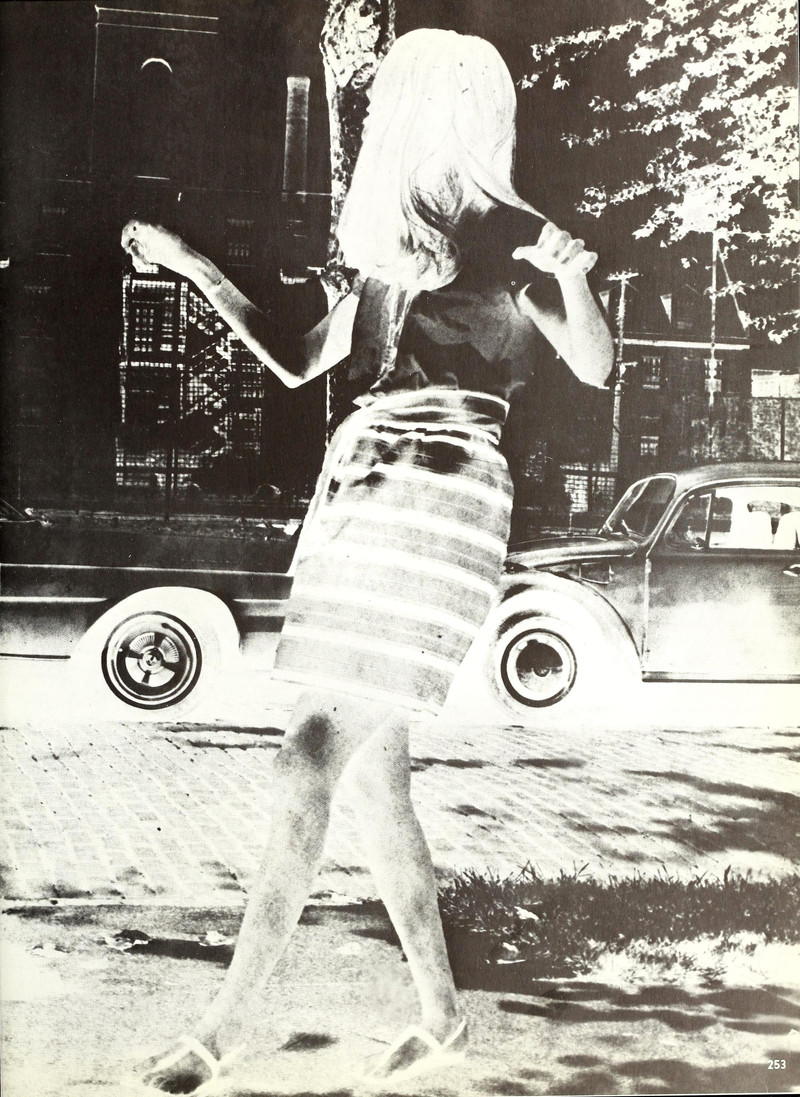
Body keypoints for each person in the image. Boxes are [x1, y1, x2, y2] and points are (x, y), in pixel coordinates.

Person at [121, 28, 613, 1094]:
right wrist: (194, 265)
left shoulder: (513, 245)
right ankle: (441, 1015)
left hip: (441, 504)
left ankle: (221, 1029)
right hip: (358, 500)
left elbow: (591, 361)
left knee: (307, 756)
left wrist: (575, 277)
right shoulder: (390, 264)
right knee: (375, 787)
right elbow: (298, 360)